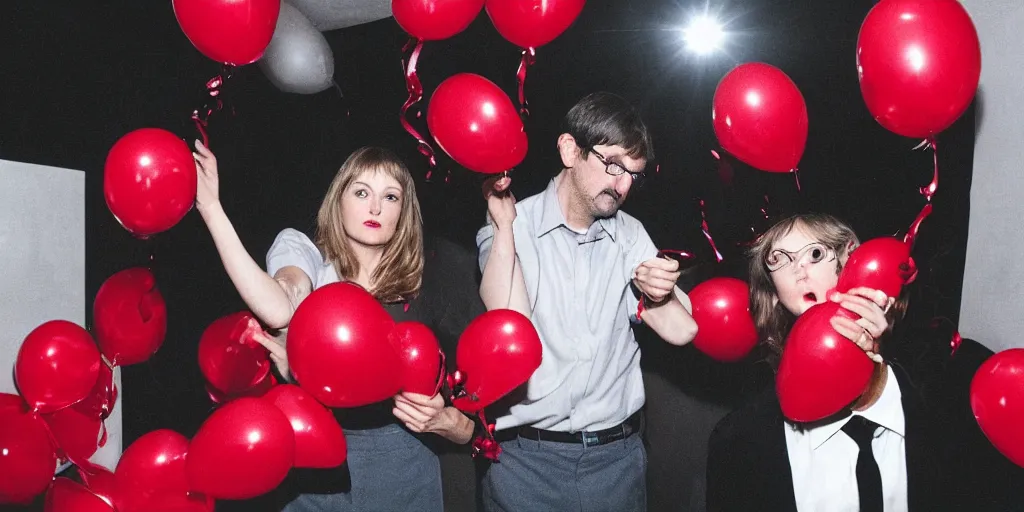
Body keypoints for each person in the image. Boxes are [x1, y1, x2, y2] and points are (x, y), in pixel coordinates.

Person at [193, 142, 476, 512]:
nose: (375, 208)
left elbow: (474, 416)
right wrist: (213, 211)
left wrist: (447, 420)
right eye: (362, 192)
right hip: (316, 457)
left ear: (403, 212)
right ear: (338, 198)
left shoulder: (433, 279)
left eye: (390, 197)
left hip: (403, 462)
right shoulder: (305, 254)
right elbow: (279, 309)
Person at [476, 91, 699, 512]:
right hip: (525, 463)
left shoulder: (630, 234)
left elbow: (682, 330)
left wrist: (660, 293)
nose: (621, 184)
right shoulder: (511, 224)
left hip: (614, 462)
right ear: (569, 150)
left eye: (634, 174)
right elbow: (509, 319)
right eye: (613, 164)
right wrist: (503, 227)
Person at [705, 212, 974, 512]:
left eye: (815, 254)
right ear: (773, 291)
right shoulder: (740, 442)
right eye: (779, 259)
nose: (800, 270)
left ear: (850, 258)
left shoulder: (948, 408)